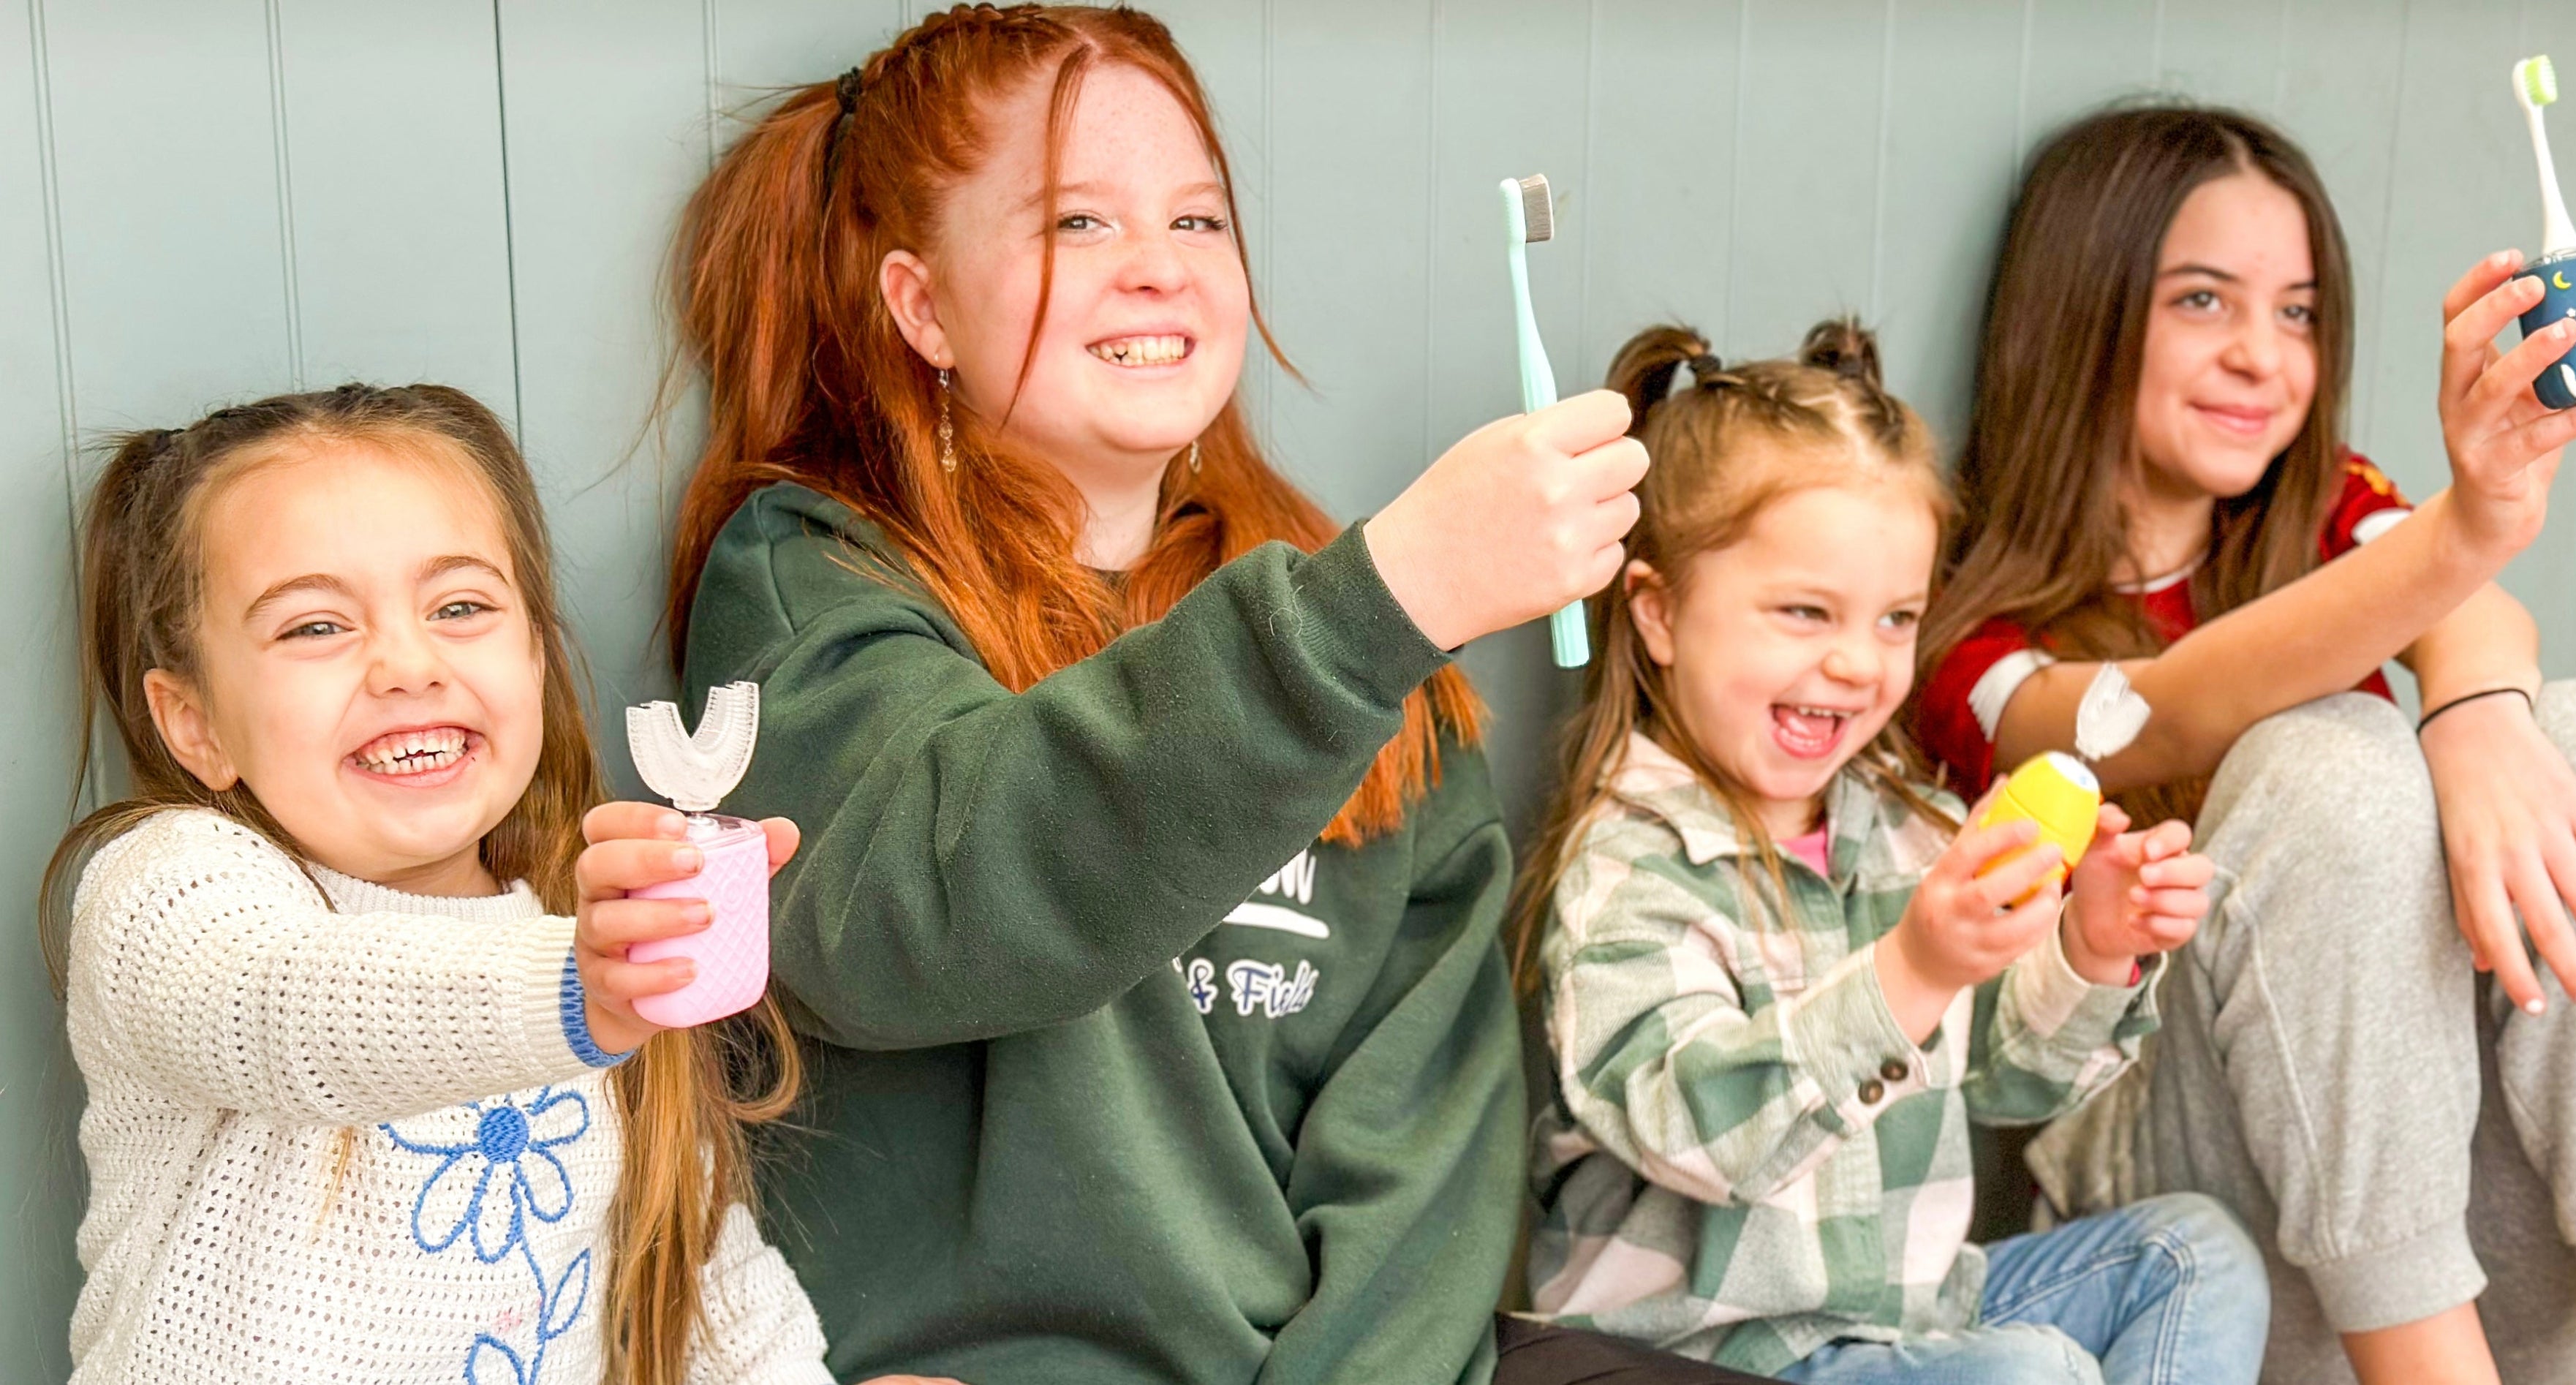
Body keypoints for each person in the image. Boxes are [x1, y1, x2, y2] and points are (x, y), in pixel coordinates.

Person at [661, 7, 1762, 1382]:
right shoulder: (811, 584)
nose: (1158, 268)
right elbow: (918, 906)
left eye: (1198, 221)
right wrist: (1390, 597)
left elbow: (1425, 1149)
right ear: (921, 306)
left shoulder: (1356, 634)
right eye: (1077, 224)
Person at [1914, 105, 2576, 1385]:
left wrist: (2475, 713)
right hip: (2208, 1240)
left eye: (2298, 313)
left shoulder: (2326, 510)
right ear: (2080, 309)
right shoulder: (1955, 624)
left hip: (2461, 1242)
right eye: (2202, 300)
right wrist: (2467, 532)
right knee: (2322, 759)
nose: (2261, 355)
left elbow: (2472, 615)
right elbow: (2166, 711)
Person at [43, 385, 939, 1385]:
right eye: (315, 627)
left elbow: (703, 1278)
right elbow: (286, 1007)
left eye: (460, 607)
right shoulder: (164, 890)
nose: (407, 664)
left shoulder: (578, 934)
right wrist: (581, 986)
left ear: (535, 657)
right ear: (195, 722)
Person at [1516, 320, 2267, 1385]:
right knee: (2028, 1372)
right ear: (1660, 613)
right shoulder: (1632, 865)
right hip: (1706, 1355)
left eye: (1894, 619)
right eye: (1804, 612)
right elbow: (1694, 1131)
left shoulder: (1908, 826)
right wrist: (1910, 969)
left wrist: (2088, 950)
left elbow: (2003, 1078)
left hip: (1900, 1323)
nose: (1856, 663)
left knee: (2193, 1255)